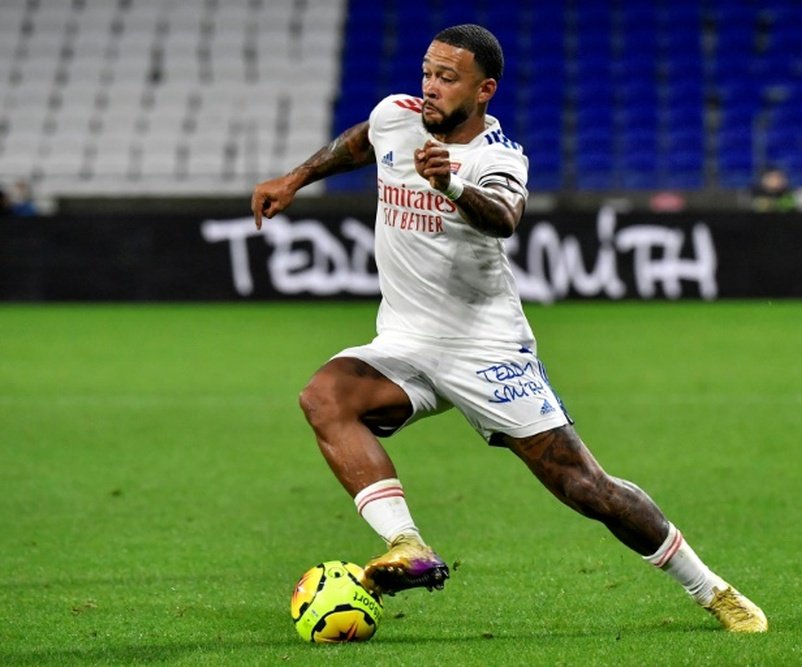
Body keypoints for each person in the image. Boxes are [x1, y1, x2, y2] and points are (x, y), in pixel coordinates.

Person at [250, 24, 767, 632]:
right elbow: (362, 142)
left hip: (486, 348)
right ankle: (408, 544)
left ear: (484, 89)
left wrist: (450, 183)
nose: (431, 87)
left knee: (584, 487)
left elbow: (504, 218)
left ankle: (714, 592)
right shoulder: (398, 115)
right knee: (324, 395)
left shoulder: (499, 157)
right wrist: (294, 180)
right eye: (427, 72)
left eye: (448, 78)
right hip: (405, 342)